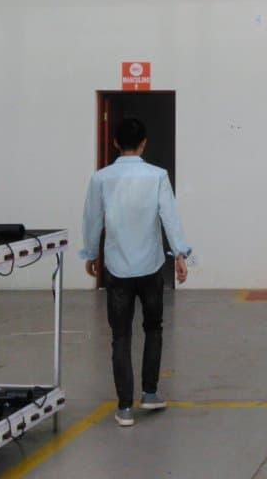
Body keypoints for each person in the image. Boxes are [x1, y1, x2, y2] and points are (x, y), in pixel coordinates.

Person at [80, 117, 192, 427]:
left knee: (120, 336)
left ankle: (125, 408)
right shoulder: (157, 176)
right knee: (153, 328)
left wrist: (91, 253)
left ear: (115, 142)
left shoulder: (101, 178)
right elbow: (170, 216)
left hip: (117, 269)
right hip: (151, 266)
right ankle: (150, 393)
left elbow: (92, 218)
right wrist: (180, 254)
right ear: (144, 144)